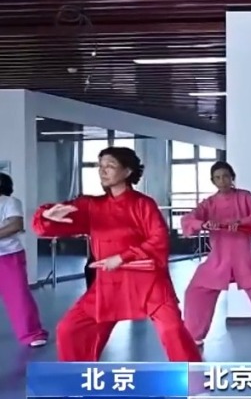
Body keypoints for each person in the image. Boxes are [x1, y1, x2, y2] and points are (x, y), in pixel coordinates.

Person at [32, 146, 202, 362]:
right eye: (100, 166)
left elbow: (159, 239)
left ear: (127, 171)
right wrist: (46, 215)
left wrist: (122, 257)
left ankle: (192, 378)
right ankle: (80, 378)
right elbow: (50, 225)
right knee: (69, 329)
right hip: (109, 283)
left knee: (172, 330)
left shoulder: (143, 204)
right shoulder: (91, 205)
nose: (103, 171)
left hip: (148, 282)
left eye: (110, 166)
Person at [180, 161, 251, 348]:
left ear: (232, 177)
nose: (222, 181)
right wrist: (203, 224)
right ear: (213, 181)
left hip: (245, 257)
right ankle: (194, 334)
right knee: (196, 291)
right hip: (218, 259)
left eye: (226, 176)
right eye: (217, 178)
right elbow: (188, 219)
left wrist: (241, 223)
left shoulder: (244, 197)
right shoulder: (209, 203)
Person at [0, 173, 48, 347]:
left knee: (18, 296)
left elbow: (16, 225)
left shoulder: (9, 202)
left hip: (7, 256)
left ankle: (33, 334)